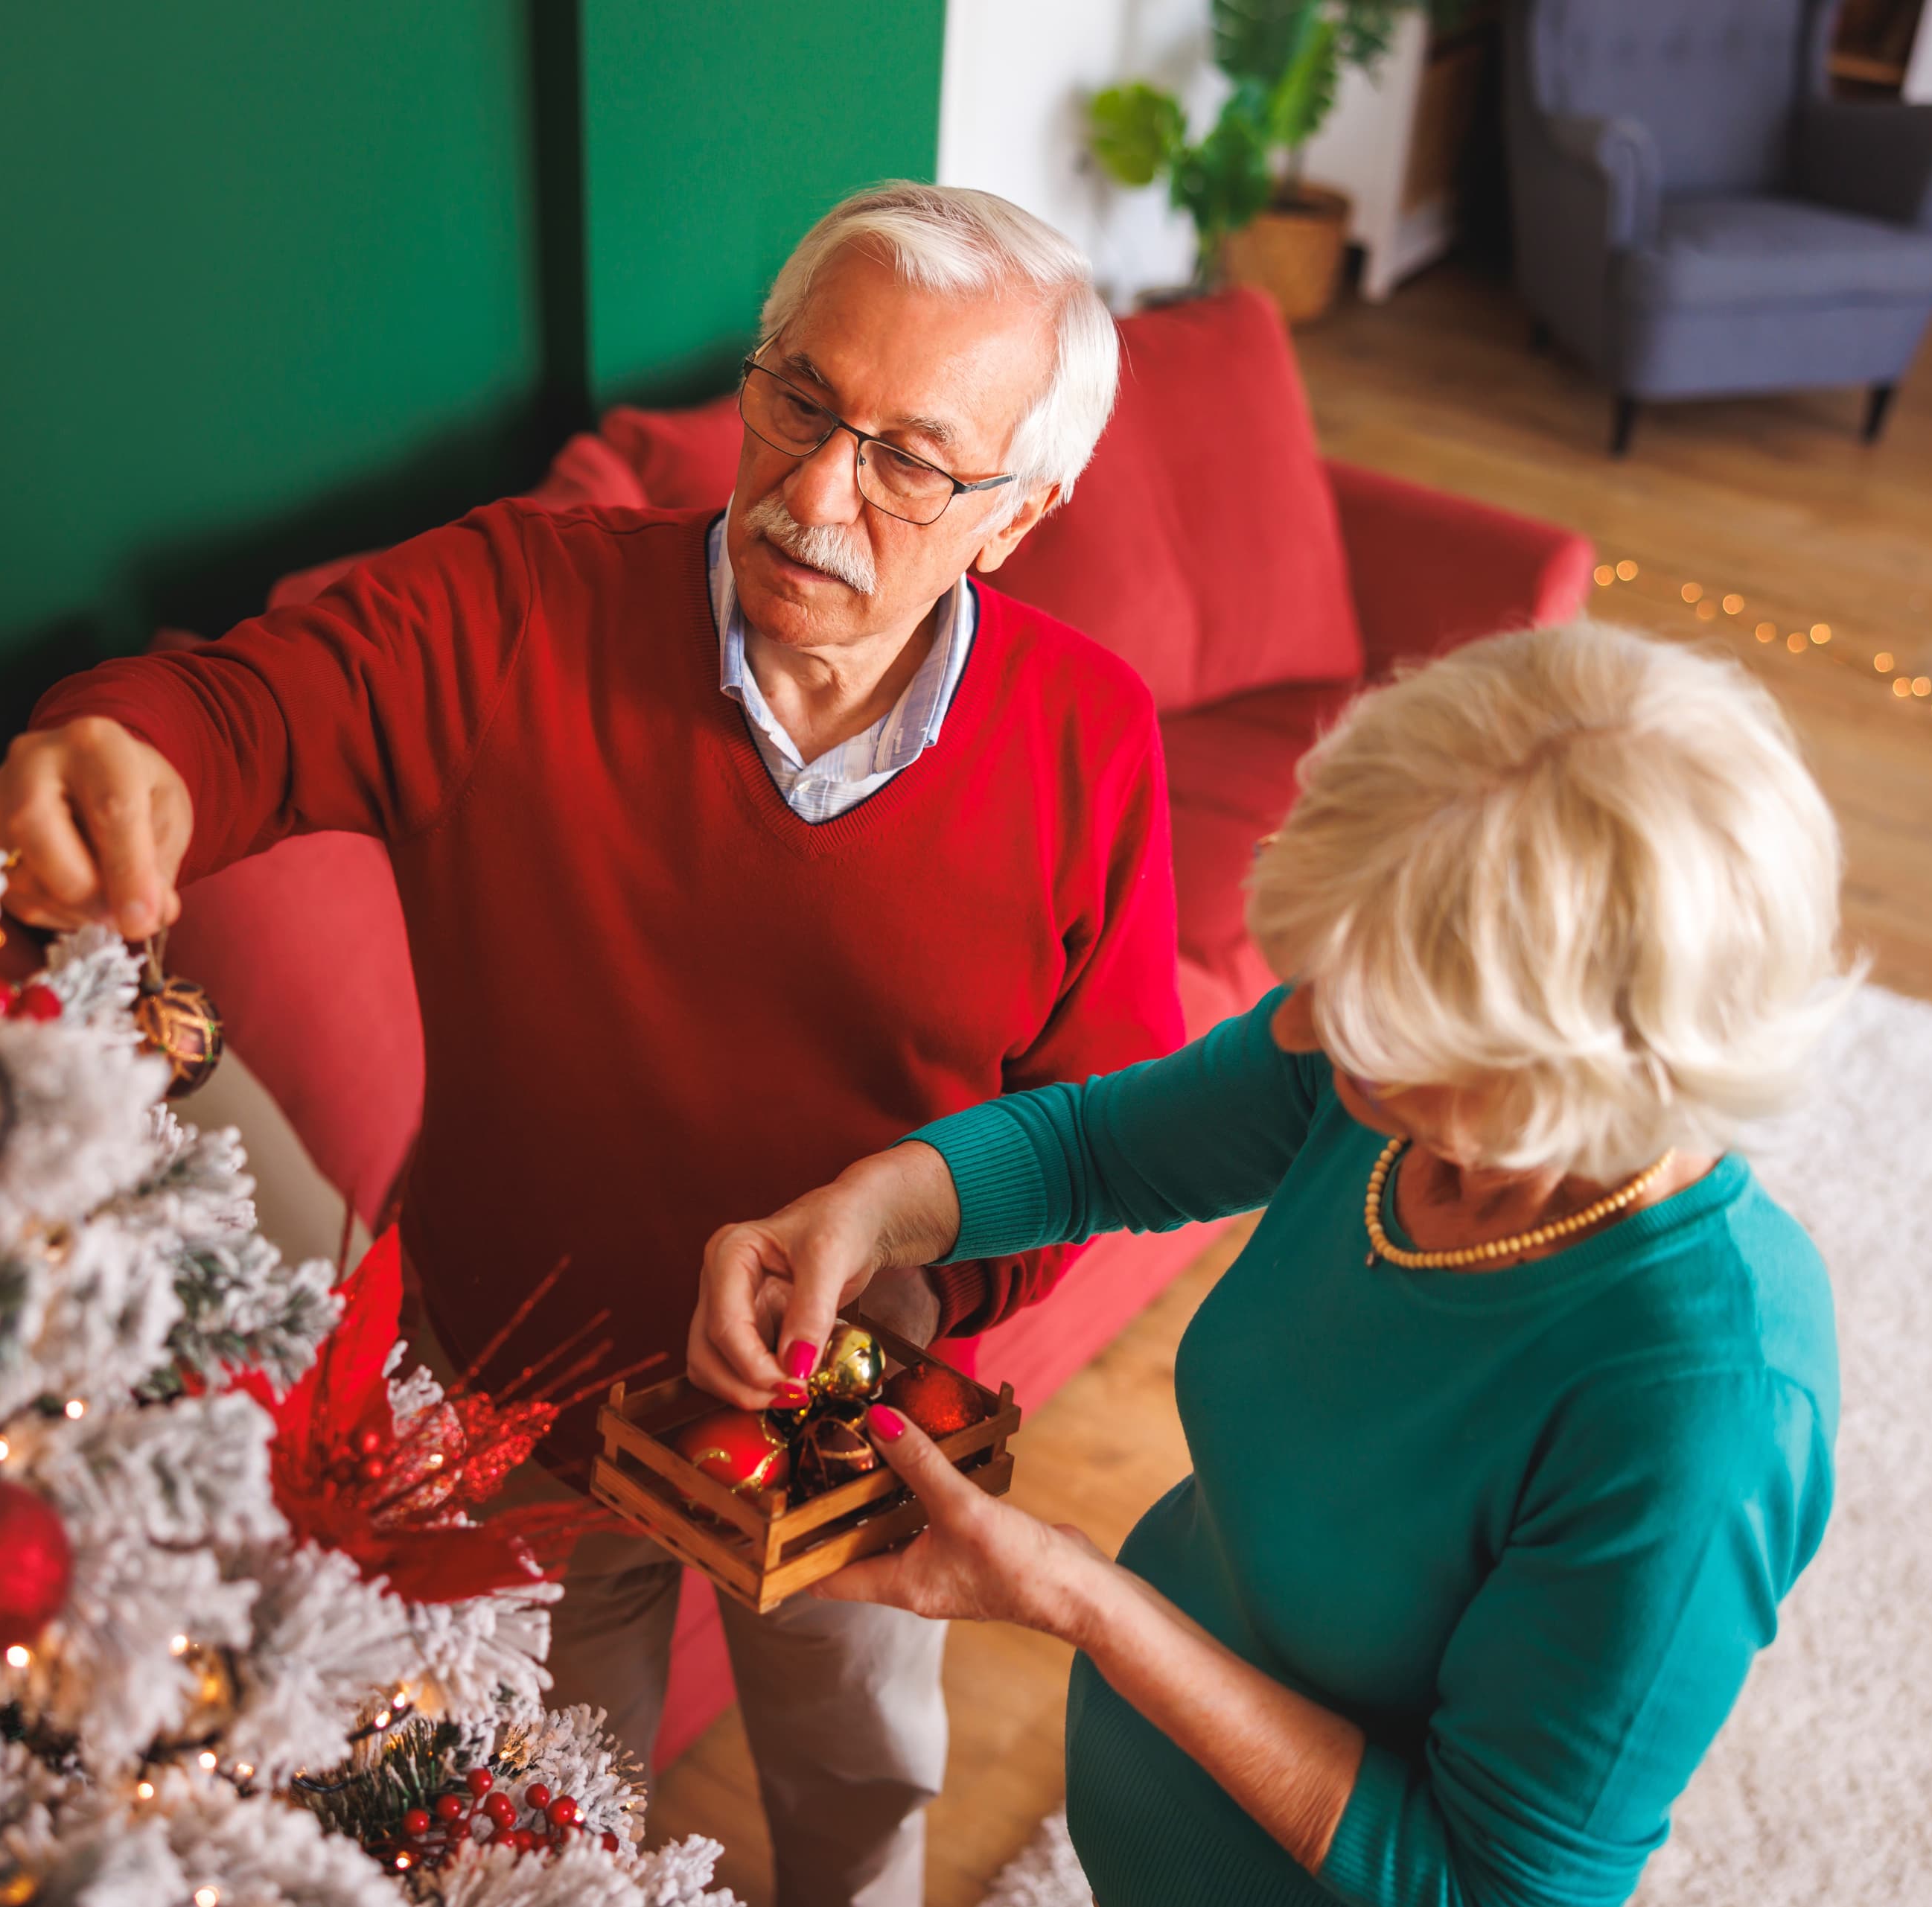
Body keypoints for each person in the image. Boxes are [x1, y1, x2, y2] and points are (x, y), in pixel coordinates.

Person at [0, 183, 1184, 1907]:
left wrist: (915, 1297)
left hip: (838, 1429)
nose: (818, 493)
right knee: (533, 1825)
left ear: (1018, 515)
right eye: (801, 402)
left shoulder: (1088, 733)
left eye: (913, 459)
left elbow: (1110, 1127)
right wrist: (118, 746)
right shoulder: (511, 604)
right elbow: (239, 708)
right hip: (511, 1389)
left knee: (858, 1779)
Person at [690, 620, 1851, 1907]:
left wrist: (1086, 1603)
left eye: (1367, 1011)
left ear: (1560, 1073)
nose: (1296, 1021)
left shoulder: (1704, 1405)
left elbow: (1491, 1885)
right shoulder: (1386, 1081)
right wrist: (865, 1209)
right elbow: (1098, 1147)